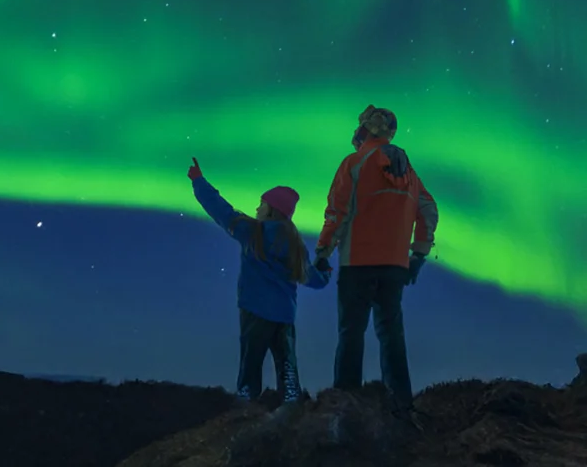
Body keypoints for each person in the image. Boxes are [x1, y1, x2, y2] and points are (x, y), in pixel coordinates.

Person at [315, 105, 439, 417]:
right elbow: (428, 210)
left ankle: (344, 405)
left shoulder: (354, 163)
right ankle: (401, 406)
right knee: (391, 335)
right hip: (395, 267)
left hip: (357, 262)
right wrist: (418, 255)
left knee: (351, 333)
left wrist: (323, 252)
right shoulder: (409, 174)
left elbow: (337, 213)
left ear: (368, 129)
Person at [188, 156, 331, 403]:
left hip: (254, 310)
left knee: (250, 363)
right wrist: (326, 272)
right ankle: (291, 406)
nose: (257, 209)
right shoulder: (296, 246)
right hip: (284, 315)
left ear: (271, 209)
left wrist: (199, 182)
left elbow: (220, 210)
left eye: (261, 204)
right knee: (287, 365)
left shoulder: (252, 232)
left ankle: (245, 404)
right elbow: (314, 279)